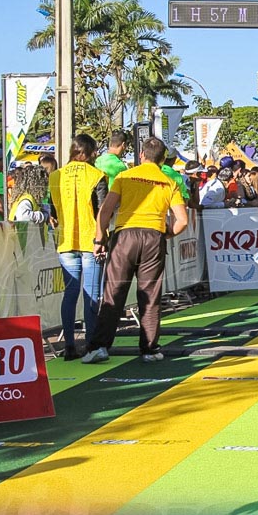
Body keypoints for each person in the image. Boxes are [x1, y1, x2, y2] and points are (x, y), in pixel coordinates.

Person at [83, 137, 187, 364]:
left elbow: (105, 210)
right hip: (154, 236)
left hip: (125, 236)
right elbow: (182, 221)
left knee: (114, 293)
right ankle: (149, 349)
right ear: (162, 160)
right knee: (150, 295)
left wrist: (100, 238)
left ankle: (99, 347)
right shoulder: (169, 182)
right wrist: (165, 233)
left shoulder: (124, 176)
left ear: (141, 156)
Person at [49, 134, 108, 360]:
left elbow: (53, 211)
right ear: (90, 152)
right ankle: (92, 345)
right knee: (92, 294)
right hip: (91, 240)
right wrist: (102, 239)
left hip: (65, 241)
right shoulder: (97, 175)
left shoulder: (55, 176)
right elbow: (103, 211)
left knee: (70, 293)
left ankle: (70, 346)